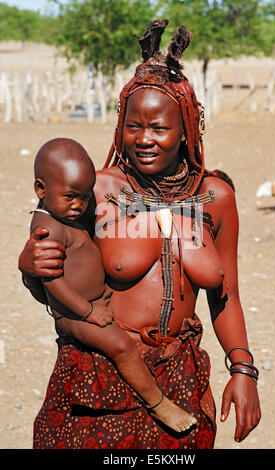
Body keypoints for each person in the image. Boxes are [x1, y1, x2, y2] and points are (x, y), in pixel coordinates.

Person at [18, 20, 261, 449]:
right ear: (120, 125)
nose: (144, 139)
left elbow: (228, 295)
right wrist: (29, 270)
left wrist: (242, 370)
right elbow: (56, 273)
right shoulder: (97, 190)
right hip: (100, 373)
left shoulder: (215, 197)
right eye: (134, 126)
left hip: (182, 376)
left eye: (159, 128)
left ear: (186, 127)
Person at [29, 137, 197, 434]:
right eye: (70, 197)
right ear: (41, 190)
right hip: (73, 314)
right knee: (122, 347)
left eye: (83, 197)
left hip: (94, 301)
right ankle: (159, 404)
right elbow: (52, 281)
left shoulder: (66, 213)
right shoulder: (48, 228)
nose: (78, 205)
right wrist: (87, 311)